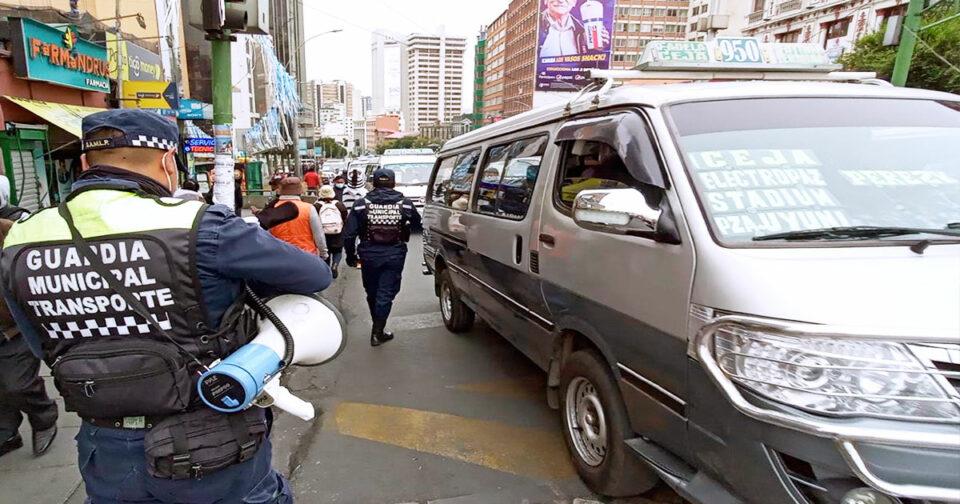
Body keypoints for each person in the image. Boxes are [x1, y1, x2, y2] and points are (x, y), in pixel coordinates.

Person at [0, 109, 331, 503]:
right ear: (168, 162)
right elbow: (313, 275)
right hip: (214, 441)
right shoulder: (199, 224)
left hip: (106, 446)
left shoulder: (22, 236)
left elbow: (39, 342)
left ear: (85, 163)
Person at [0, 177, 58, 459]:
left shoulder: (15, 226)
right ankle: (7, 432)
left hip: (13, 326)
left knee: (18, 384)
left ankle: (44, 416)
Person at [344, 169, 422, 346]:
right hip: (394, 254)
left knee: (372, 292)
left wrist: (351, 256)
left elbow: (349, 235)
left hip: (368, 255)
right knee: (386, 293)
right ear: (393, 182)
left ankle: (377, 327)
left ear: (374, 182)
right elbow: (418, 224)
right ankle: (378, 331)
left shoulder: (360, 204)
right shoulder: (406, 204)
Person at [268, 177, 329, 260]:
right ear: (300, 190)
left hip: (280, 256)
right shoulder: (308, 208)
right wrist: (323, 253)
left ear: (280, 190)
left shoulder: (271, 209)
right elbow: (318, 235)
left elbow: (266, 235)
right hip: (306, 255)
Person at [539, 0, 609, 57]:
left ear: (574, 2)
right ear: (545, 1)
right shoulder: (536, 24)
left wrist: (597, 50)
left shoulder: (583, 30)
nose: (560, 0)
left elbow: (590, 63)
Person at [315, 185, 348, 279]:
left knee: (325, 252)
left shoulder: (316, 206)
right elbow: (345, 218)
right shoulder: (339, 205)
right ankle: (335, 265)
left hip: (323, 233)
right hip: (338, 233)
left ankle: (326, 271)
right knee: (338, 251)